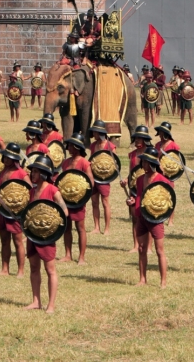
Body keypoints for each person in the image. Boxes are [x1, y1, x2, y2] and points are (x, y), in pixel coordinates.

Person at [25, 155, 68, 313]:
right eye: (32, 171)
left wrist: (51, 223)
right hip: (33, 234)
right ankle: (36, 301)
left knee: (50, 269)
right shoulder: (32, 191)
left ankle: (51, 304)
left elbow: (64, 211)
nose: (32, 174)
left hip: (47, 235)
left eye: (36, 171)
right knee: (34, 267)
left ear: (43, 173)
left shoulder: (53, 190)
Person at [126, 147, 171, 287]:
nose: (144, 165)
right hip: (141, 217)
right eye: (143, 162)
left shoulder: (162, 180)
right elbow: (138, 196)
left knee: (159, 250)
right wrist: (132, 201)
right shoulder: (140, 179)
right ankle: (142, 279)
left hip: (155, 218)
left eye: (146, 162)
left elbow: (167, 200)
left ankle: (163, 282)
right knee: (141, 248)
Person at [0, 144, 29, 277]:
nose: (6, 159)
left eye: (8, 157)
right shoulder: (3, 171)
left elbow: (29, 190)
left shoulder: (21, 173)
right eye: (5, 157)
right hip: (3, 212)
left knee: (18, 241)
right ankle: (5, 269)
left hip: (15, 213)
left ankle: (21, 271)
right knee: (4, 241)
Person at [60, 133, 94, 264]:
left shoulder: (84, 163)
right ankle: (68, 254)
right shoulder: (66, 162)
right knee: (66, 227)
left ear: (76, 147)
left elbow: (90, 181)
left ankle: (81, 257)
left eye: (70, 145)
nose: (68, 147)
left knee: (80, 227)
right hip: (65, 199)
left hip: (78, 200)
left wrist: (83, 197)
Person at [120, 126, 152, 252]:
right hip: (134, 189)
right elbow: (132, 171)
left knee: (148, 218)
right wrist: (126, 181)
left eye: (140, 138)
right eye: (136, 138)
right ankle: (136, 245)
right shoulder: (132, 154)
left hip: (147, 188)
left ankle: (149, 247)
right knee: (135, 218)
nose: (138, 141)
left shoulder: (150, 152)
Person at [89, 120, 115, 235]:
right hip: (94, 177)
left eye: (95, 132)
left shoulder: (110, 146)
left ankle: (107, 228)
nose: (93, 135)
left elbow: (114, 163)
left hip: (104, 178)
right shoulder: (93, 145)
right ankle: (96, 227)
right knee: (94, 202)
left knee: (105, 202)